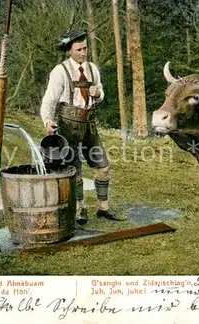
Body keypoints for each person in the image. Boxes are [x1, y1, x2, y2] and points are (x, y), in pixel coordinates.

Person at [40, 28, 124, 225]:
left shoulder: (93, 69)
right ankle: (80, 208)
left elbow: (100, 93)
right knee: (74, 169)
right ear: (70, 50)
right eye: (79, 49)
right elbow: (48, 101)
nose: (83, 53)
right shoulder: (59, 72)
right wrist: (47, 121)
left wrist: (97, 94)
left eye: (85, 48)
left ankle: (103, 208)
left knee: (103, 167)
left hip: (90, 125)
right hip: (68, 126)